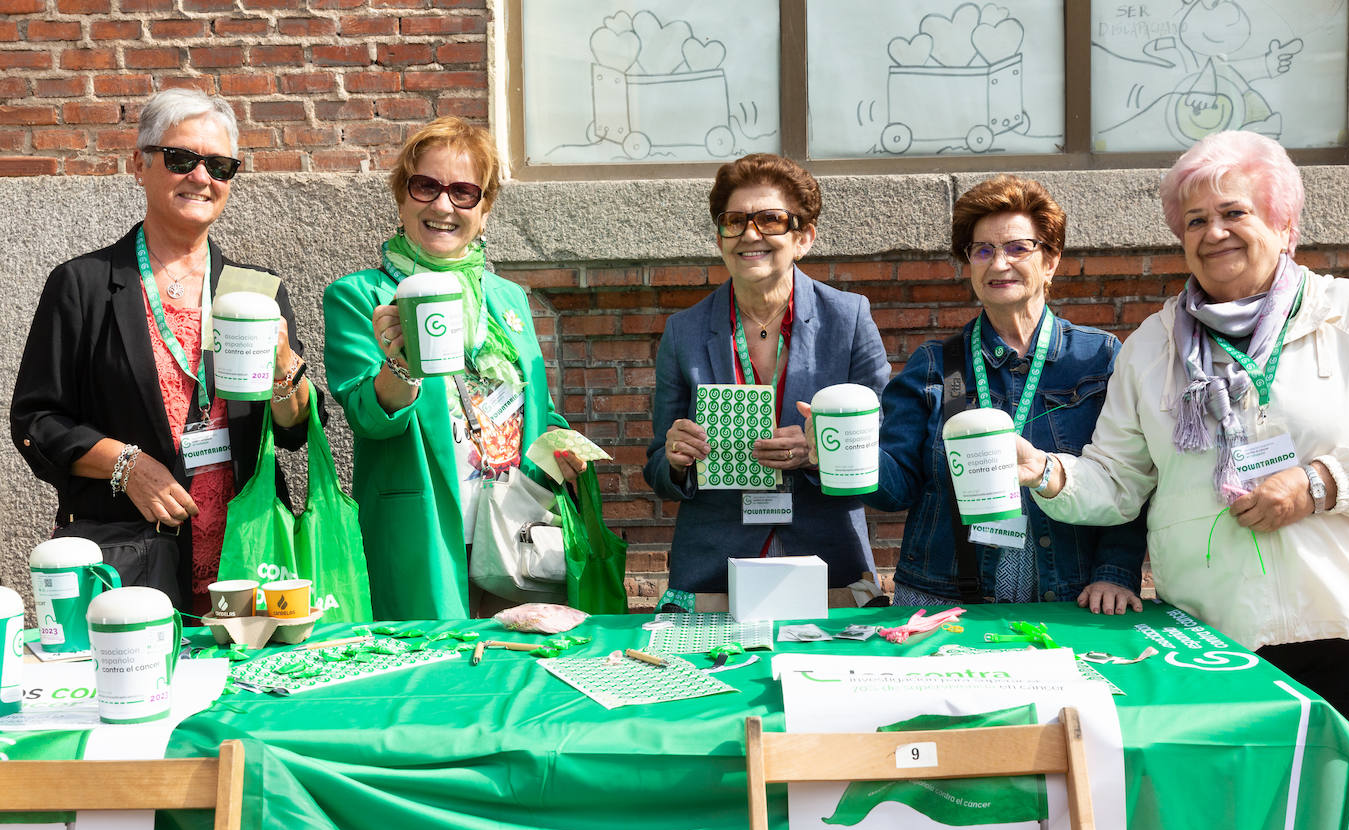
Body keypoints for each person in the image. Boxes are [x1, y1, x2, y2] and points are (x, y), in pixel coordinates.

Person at [1015, 130, 1349, 830]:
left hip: (1344, 623)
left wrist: (1319, 482)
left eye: (1233, 212)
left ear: (1284, 224)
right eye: (1194, 221)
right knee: (1231, 829)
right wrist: (1043, 469)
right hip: (1215, 639)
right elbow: (1115, 483)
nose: (1213, 233)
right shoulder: (1150, 348)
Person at [11, 88, 314, 616]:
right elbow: (36, 420)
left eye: (220, 166)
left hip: (250, 556)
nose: (202, 177)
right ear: (141, 164)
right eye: (182, 159)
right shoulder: (83, 284)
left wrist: (286, 369)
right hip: (133, 553)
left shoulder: (255, 288)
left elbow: (293, 431)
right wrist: (126, 465)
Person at [811, 174, 1144, 610]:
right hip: (943, 598)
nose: (998, 263)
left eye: (1017, 248)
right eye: (982, 250)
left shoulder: (1098, 358)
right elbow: (897, 490)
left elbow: (1130, 474)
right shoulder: (936, 364)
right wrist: (838, 452)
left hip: (1070, 596)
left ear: (1051, 261)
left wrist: (1114, 574)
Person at [323, 117, 583, 620]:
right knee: (435, 683)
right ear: (402, 197)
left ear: (484, 211)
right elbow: (368, 419)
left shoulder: (507, 299)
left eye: (464, 192)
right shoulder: (361, 296)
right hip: (424, 530)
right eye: (426, 186)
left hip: (515, 530)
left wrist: (563, 446)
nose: (443, 205)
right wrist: (401, 364)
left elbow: (540, 413)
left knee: (517, 671)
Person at [644, 153, 890, 596]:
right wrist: (676, 459)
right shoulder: (684, 331)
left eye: (771, 220)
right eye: (734, 220)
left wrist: (820, 453)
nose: (750, 234)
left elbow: (882, 448)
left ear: (804, 238)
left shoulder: (849, 319)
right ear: (720, 238)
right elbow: (656, 466)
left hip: (827, 560)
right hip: (714, 567)